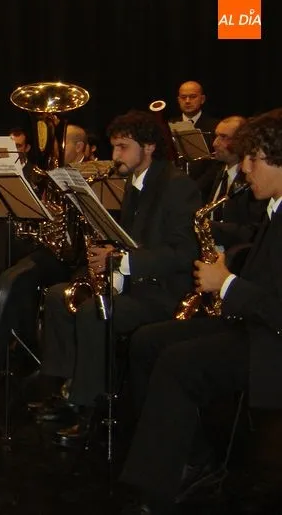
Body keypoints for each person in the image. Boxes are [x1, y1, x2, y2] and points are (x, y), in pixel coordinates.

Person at [120, 109, 282, 513]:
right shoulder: (274, 208)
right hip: (253, 326)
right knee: (147, 341)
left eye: (254, 159)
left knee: (179, 363)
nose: (244, 169)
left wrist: (225, 283)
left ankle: (160, 482)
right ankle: (188, 455)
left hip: (270, 343)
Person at [36, 110, 201, 445]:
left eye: (123, 147)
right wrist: (106, 257)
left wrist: (122, 262)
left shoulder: (177, 185)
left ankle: (88, 407)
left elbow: (184, 253)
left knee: (94, 311)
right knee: (56, 295)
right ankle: (67, 384)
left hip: (161, 293)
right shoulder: (134, 184)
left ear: (150, 146)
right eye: (114, 147)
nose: (115, 156)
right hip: (132, 283)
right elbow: (131, 241)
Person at [195, 116, 266, 247]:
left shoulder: (253, 180)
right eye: (216, 136)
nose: (215, 143)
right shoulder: (217, 170)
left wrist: (208, 226)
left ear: (241, 142)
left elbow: (252, 232)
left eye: (223, 137)